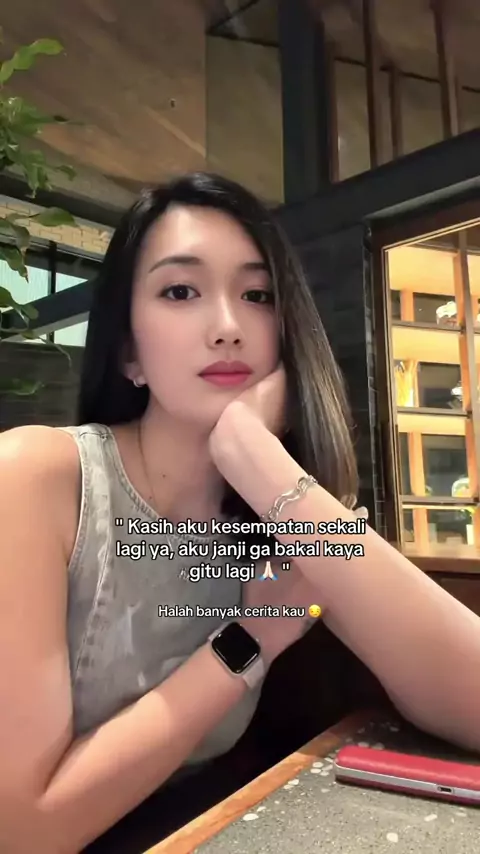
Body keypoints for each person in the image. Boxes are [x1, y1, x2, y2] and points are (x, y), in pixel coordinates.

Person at [1, 172, 479, 854]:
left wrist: (252, 454)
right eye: (180, 291)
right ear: (129, 352)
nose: (228, 328)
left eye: (257, 295)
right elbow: (22, 832)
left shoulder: (281, 509)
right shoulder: (33, 478)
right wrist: (251, 636)